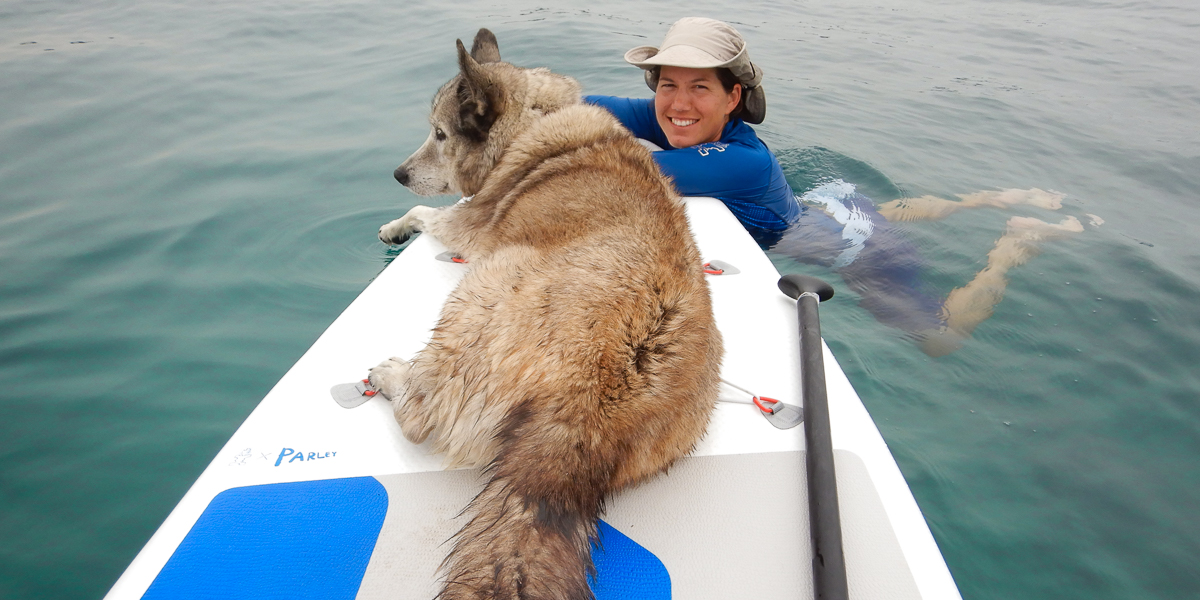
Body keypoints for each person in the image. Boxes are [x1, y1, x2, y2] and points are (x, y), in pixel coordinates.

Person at [587, 17, 1085, 356]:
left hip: (860, 252)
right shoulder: (679, 119)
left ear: (732, 97)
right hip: (830, 208)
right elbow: (567, 102)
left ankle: (1016, 244)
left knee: (941, 339)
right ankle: (988, 198)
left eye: (700, 87)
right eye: (668, 84)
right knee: (871, 213)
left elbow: (610, 175)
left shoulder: (740, 162)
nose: (678, 103)